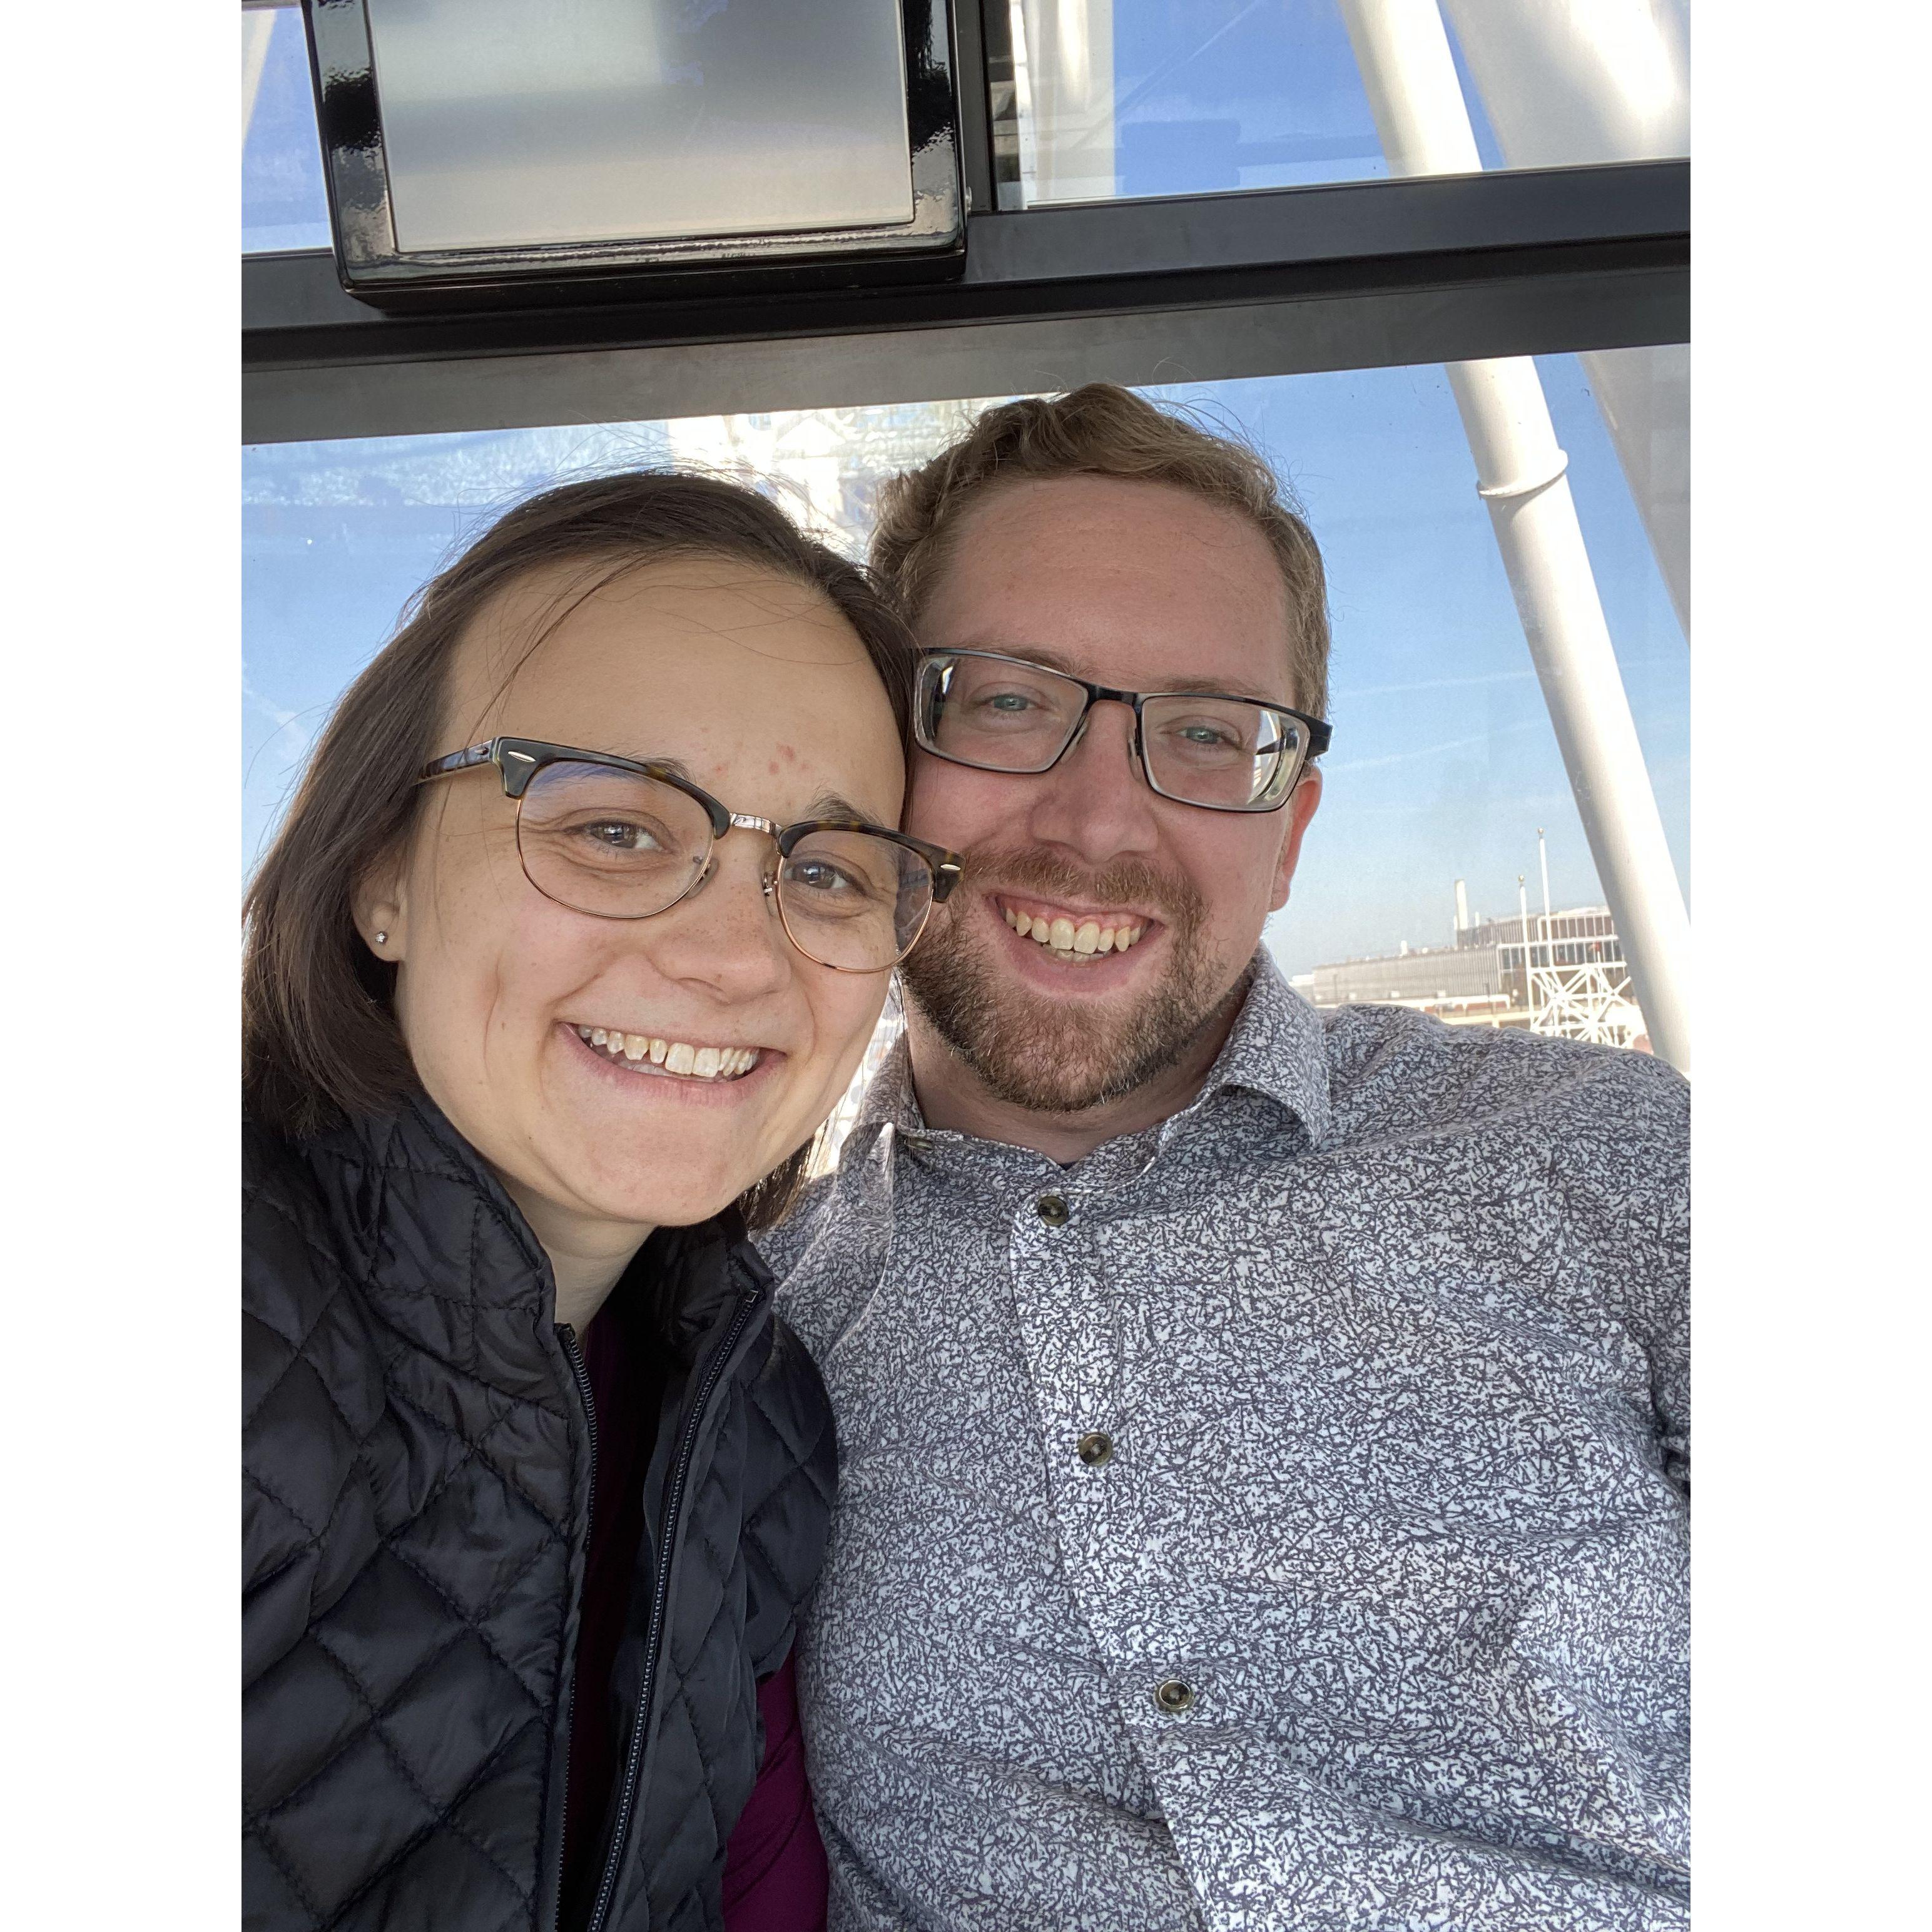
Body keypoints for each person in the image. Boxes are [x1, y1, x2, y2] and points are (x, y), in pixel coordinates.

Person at [763, 387, 1690, 1931]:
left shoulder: (1613, 1162)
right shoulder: (749, 1336)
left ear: (1290, 832)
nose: (1096, 818)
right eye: (1002, 699)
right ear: (878, 766)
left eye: (1205, 733)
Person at [242, 473, 960, 1932]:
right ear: (382, 873)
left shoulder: (756, 1426)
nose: (732, 960)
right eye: (614, 829)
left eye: (822, 870)